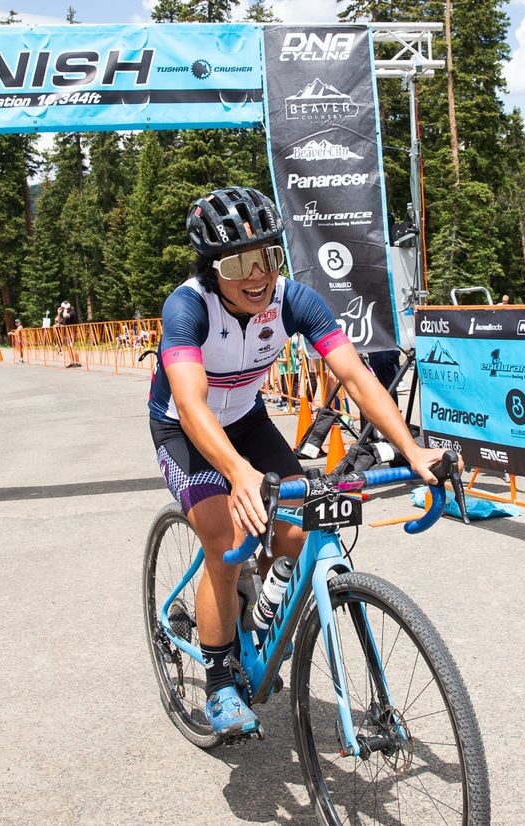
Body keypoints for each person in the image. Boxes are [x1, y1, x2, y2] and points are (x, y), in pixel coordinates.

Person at [149, 186, 445, 736]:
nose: (257, 274)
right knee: (223, 540)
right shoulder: (188, 306)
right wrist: (237, 473)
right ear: (212, 268)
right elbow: (190, 404)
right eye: (239, 262)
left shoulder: (294, 300)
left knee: (294, 533)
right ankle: (219, 680)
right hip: (183, 428)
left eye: (267, 256)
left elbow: (356, 376)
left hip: (245, 419)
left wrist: (410, 448)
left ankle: (258, 613)